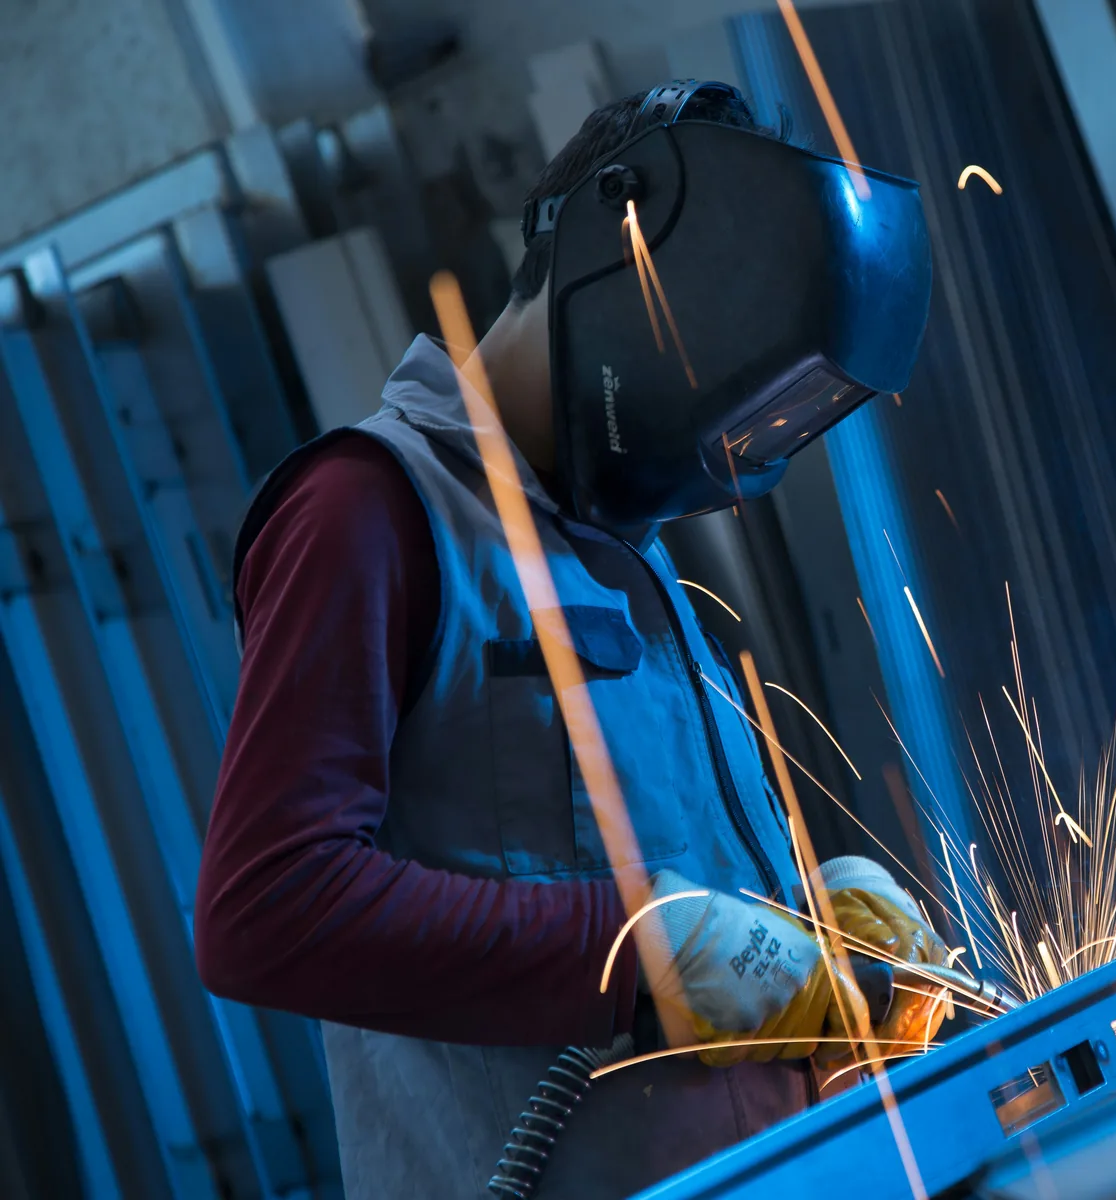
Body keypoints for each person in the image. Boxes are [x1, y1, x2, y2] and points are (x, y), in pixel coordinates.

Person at [194, 80, 945, 1199]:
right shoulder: (369, 510)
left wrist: (801, 921)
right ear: (615, 245)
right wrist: (640, 954)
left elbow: (641, 875)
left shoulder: (625, 550)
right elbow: (266, 911)